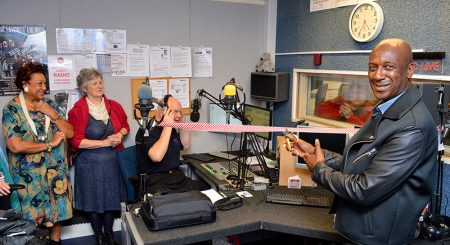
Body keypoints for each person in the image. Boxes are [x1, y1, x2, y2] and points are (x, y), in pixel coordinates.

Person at [285, 38, 438, 245]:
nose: (377, 75)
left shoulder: (411, 127)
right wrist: (313, 153)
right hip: (359, 233)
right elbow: (358, 162)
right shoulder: (385, 110)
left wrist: (319, 170)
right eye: (372, 68)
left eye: (389, 67)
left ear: (410, 70)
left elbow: (364, 189)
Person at [2, 62, 73, 245]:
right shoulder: (12, 109)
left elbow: (70, 133)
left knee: (56, 212)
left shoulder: (49, 105)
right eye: (39, 83)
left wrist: (53, 115)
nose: (44, 87)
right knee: (30, 216)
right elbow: (15, 145)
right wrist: (50, 144)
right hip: (28, 177)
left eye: (45, 83)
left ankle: (56, 241)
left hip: (55, 171)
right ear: (25, 84)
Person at [68, 68, 129, 245]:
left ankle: (109, 234)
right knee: (94, 200)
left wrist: (119, 135)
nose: (99, 85)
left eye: (100, 81)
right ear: (85, 88)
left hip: (112, 162)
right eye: (94, 83)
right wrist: (104, 143)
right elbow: (76, 141)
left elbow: (125, 125)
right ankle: (99, 237)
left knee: (111, 198)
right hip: (89, 164)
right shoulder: (77, 110)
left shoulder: (113, 105)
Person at [143, 95, 208, 194]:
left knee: (207, 189)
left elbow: (185, 145)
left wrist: (182, 123)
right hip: (158, 182)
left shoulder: (172, 129)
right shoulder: (146, 130)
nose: (179, 115)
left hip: (176, 178)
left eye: (180, 112)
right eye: (175, 111)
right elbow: (156, 156)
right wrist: (168, 125)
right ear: (162, 111)